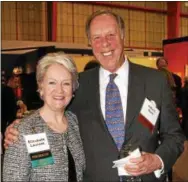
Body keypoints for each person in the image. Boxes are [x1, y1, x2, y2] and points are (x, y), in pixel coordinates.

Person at [4, 10, 185, 182]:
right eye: (96, 38)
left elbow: (175, 136)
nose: (104, 43)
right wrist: (19, 128)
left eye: (111, 35)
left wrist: (157, 160)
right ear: (90, 43)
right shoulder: (77, 84)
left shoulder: (155, 81)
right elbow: (53, 109)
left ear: (123, 36)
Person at [3, 52, 85, 181]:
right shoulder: (24, 130)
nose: (59, 90)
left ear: (73, 89)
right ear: (41, 86)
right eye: (52, 82)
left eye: (66, 83)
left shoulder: (75, 122)